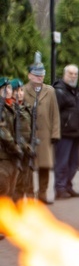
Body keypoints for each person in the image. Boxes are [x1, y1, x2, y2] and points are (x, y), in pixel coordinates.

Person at [22, 52, 60, 205]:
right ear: (30, 76)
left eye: (42, 75)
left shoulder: (50, 91)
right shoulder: (23, 91)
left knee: (45, 165)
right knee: (29, 166)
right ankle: (30, 195)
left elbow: (55, 113)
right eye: (37, 75)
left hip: (45, 134)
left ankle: (43, 194)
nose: (40, 77)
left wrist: (55, 134)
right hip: (28, 135)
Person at [53, 65, 79, 200]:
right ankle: (60, 189)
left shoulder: (76, 92)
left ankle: (67, 186)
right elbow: (54, 113)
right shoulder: (59, 91)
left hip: (76, 133)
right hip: (64, 133)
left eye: (75, 74)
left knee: (74, 163)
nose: (73, 76)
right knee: (62, 163)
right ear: (64, 74)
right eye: (70, 73)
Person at [0, 78, 23, 211]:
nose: (8, 91)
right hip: (3, 156)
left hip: (11, 156)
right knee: (3, 190)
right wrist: (15, 147)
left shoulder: (10, 107)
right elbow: (2, 130)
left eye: (9, 88)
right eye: (4, 89)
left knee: (9, 191)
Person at [9, 79, 34, 202]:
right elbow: (13, 132)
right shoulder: (11, 108)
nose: (20, 93)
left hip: (29, 148)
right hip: (18, 149)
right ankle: (16, 207)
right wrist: (24, 146)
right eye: (17, 91)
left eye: (21, 90)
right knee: (17, 182)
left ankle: (31, 208)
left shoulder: (27, 107)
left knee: (28, 180)